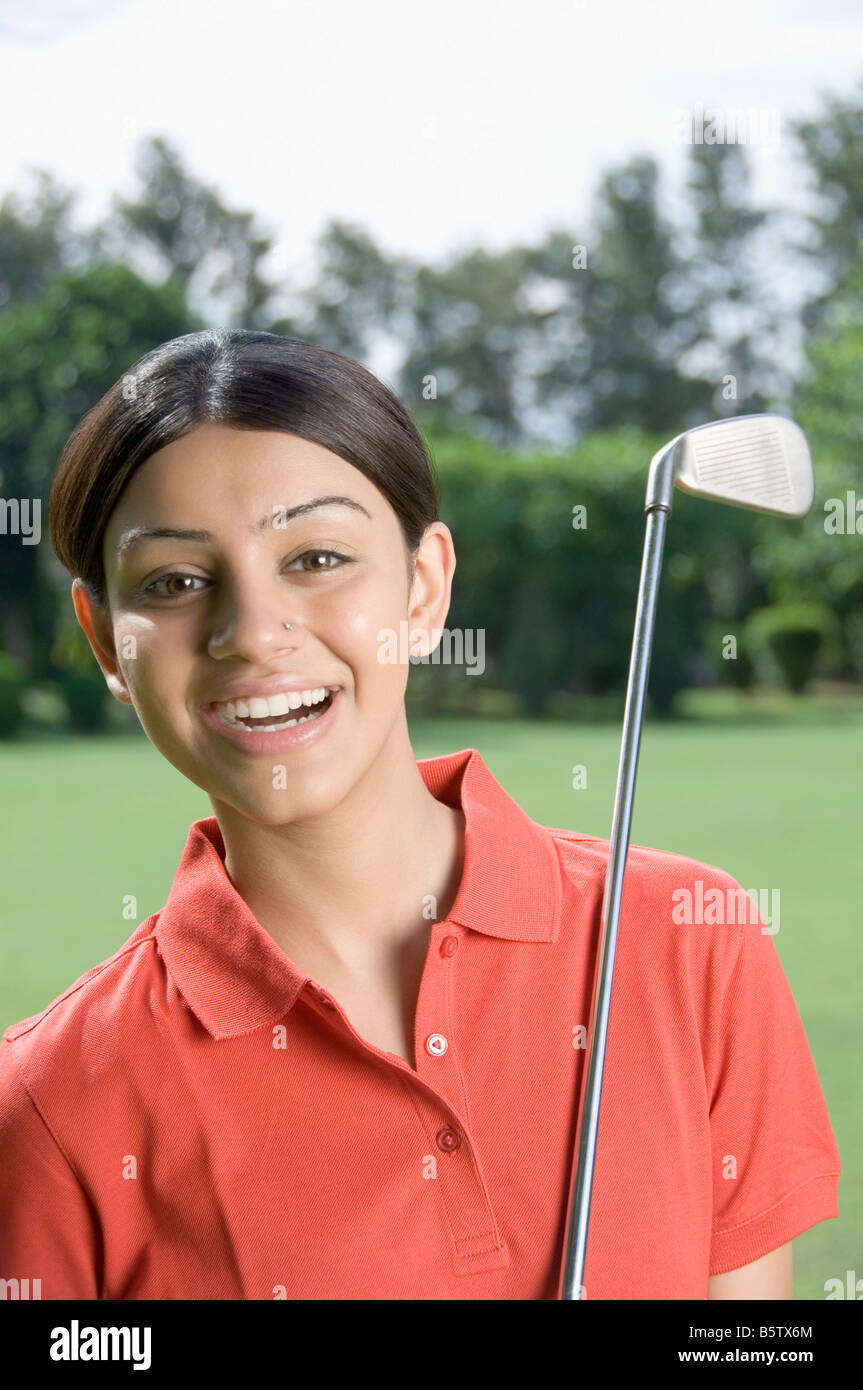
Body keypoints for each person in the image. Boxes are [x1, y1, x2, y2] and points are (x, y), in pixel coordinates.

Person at [0, 330, 840, 1300]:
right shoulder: (47, 1105)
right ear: (106, 637)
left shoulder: (690, 937)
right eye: (176, 583)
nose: (253, 633)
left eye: (315, 556)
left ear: (425, 587)